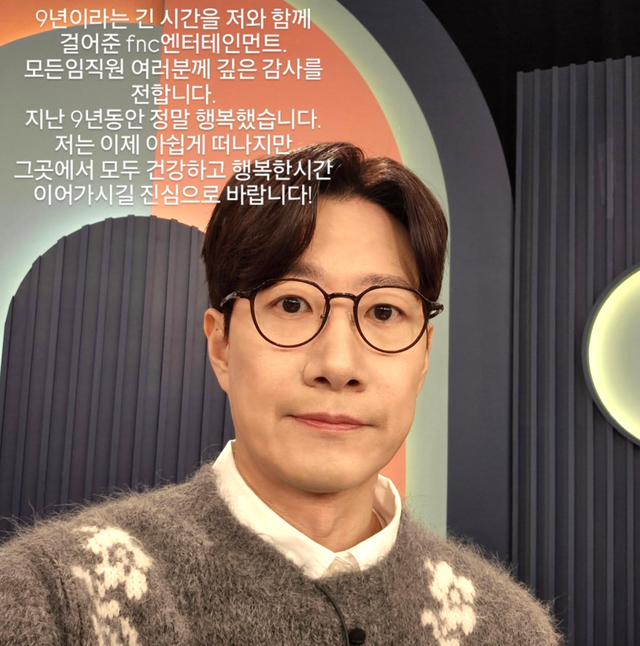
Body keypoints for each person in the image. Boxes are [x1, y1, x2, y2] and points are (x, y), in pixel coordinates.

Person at [0, 142, 561, 645]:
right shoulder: (51, 603)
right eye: (292, 304)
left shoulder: (507, 630)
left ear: (424, 355)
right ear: (222, 346)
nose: (338, 366)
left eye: (385, 311)